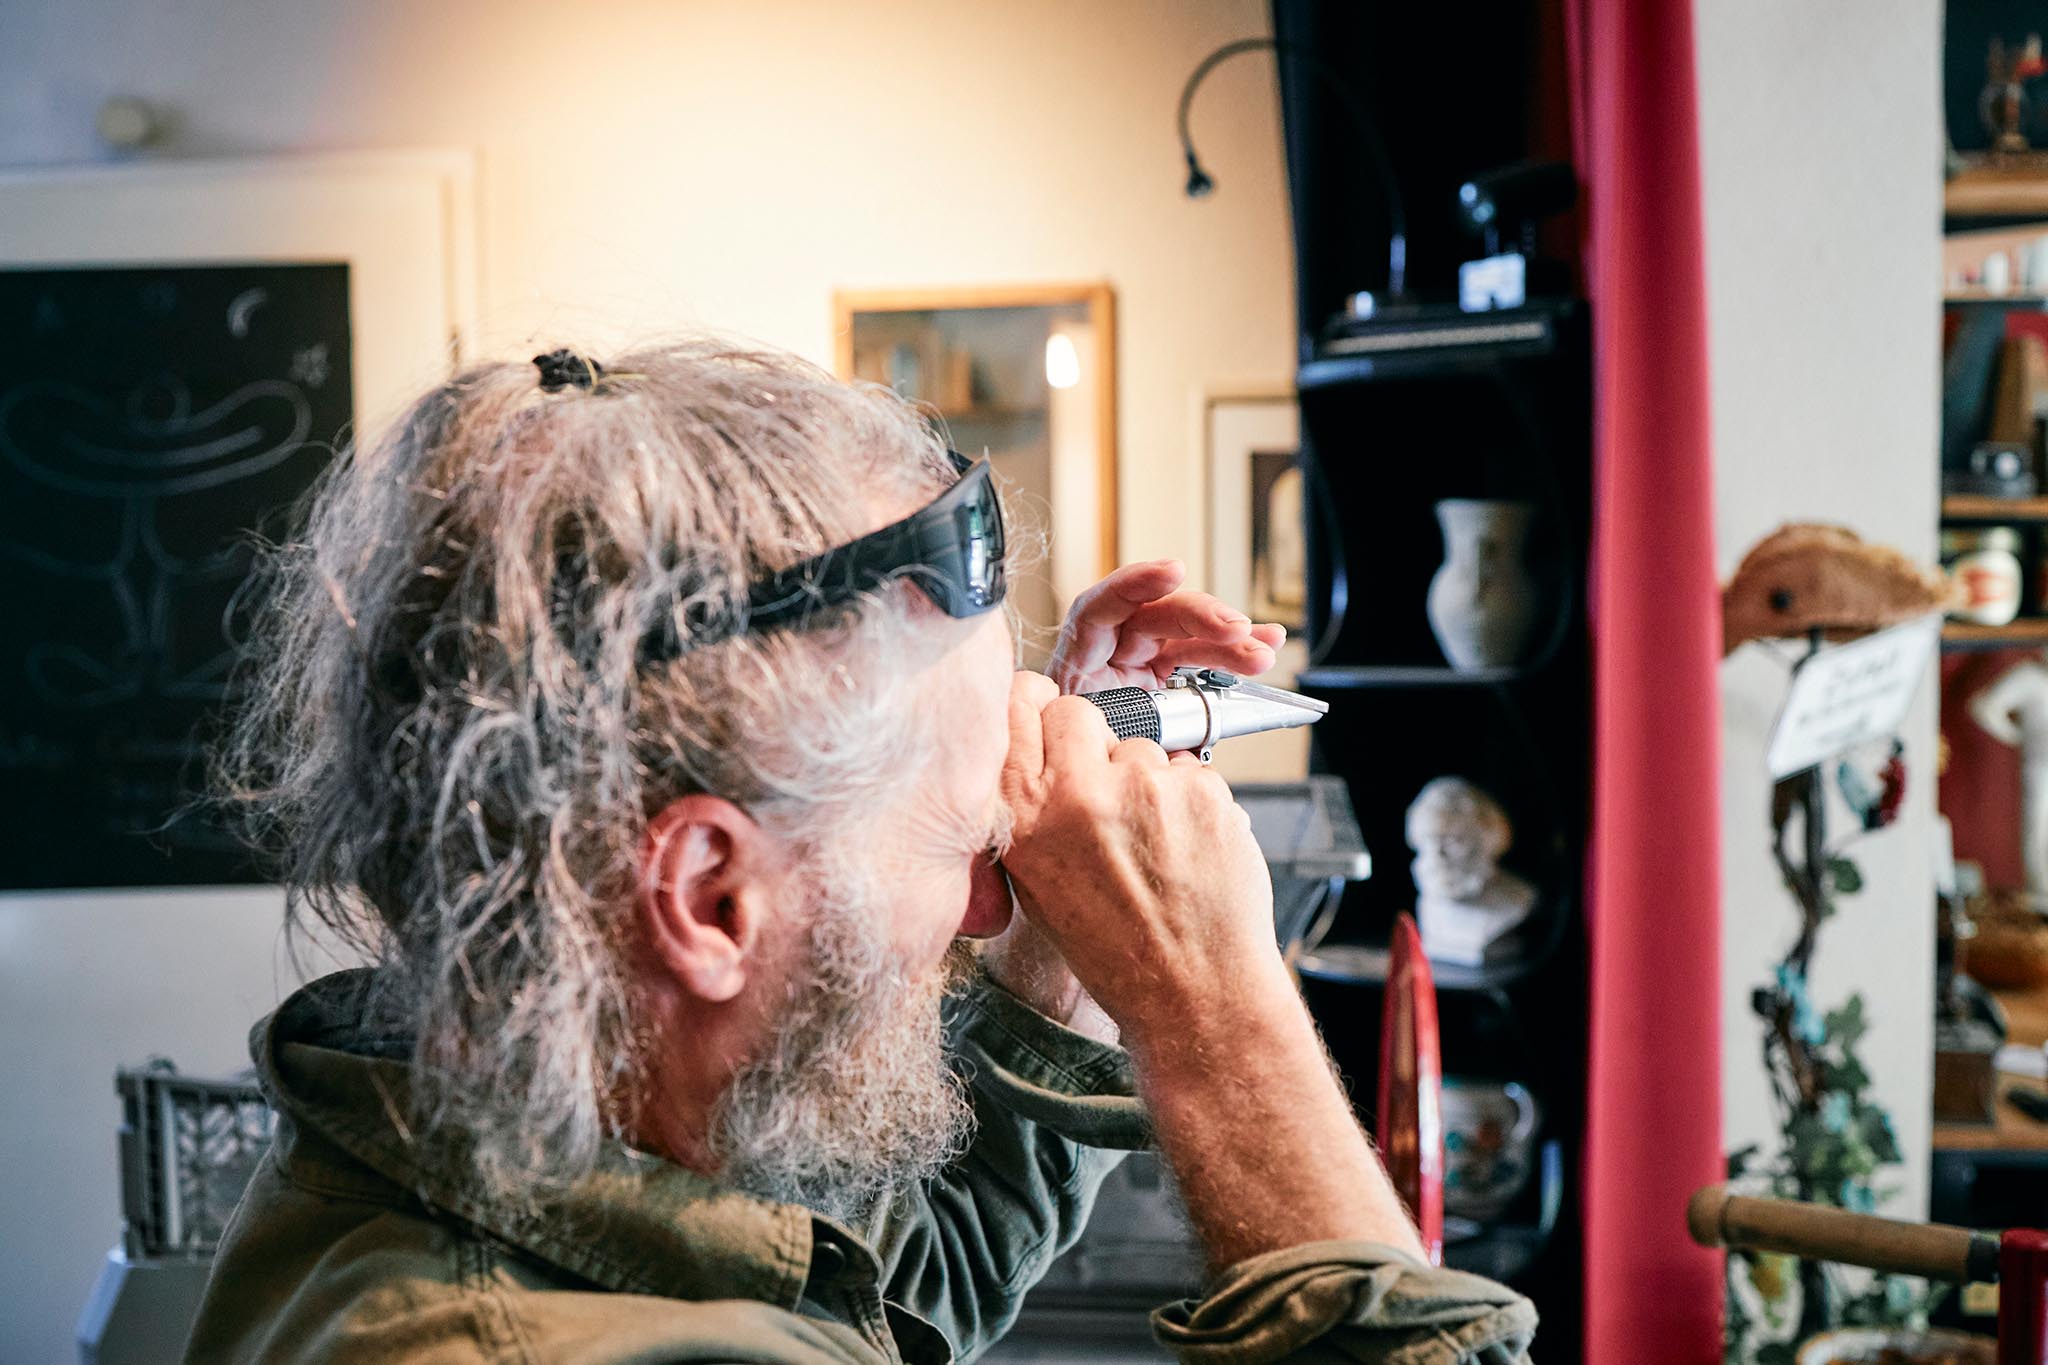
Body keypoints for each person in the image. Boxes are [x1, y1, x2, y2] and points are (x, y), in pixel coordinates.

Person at [185, 339, 1537, 1363]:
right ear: (711, 898)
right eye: (965, 830)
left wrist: (1055, 947)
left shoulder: (539, 1112)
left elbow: (902, 1292)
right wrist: (1219, 1015)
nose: (989, 895)